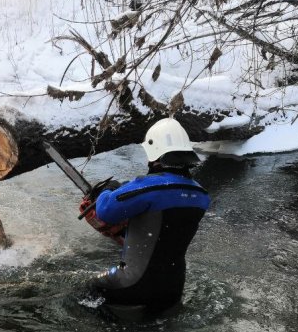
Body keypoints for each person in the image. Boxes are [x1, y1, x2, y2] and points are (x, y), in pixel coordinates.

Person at [79, 118, 210, 313]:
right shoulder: (201, 195)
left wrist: (108, 189)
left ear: (154, 153)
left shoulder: (147, 187)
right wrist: (125, 232)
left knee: (89, 288)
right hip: (173, 288)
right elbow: (163, 230)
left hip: (135, 283)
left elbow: (105, 210)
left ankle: (103, 329)